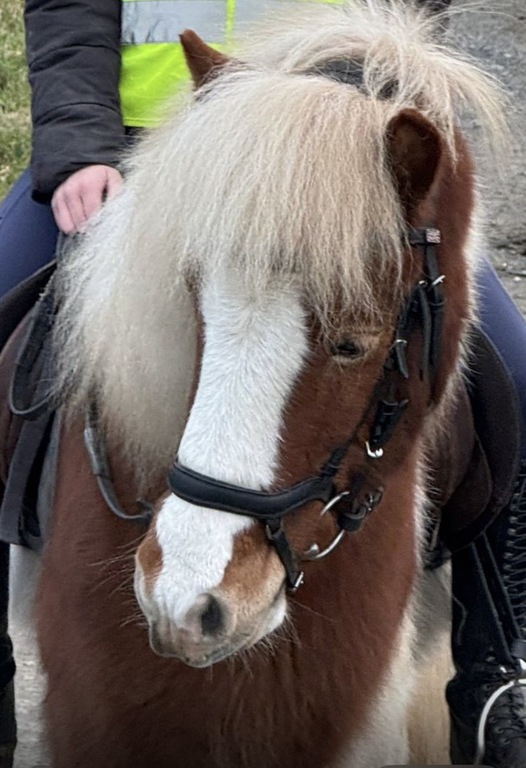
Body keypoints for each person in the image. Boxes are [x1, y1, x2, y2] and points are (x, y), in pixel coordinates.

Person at [0, 1, 526, 766]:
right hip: (145, 145)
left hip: (344, 146)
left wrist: (364, 105)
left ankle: (492, 665)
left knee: (512, 369)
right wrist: (78, 148)